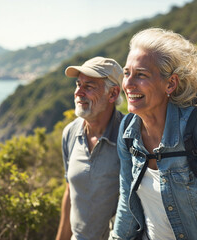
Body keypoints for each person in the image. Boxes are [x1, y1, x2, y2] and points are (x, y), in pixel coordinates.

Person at [110, 28, 197, 240]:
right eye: (127, 73)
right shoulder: (128, 132)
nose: (128, 84)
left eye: (141, 75)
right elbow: (126, 203)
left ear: (170, 83)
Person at [56, 56, 124, 240]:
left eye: (89, 86)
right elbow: (70, 192)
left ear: (113, 94)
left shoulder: (129, 135)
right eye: (78, 84)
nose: (78, 92)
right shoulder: (70, 132)